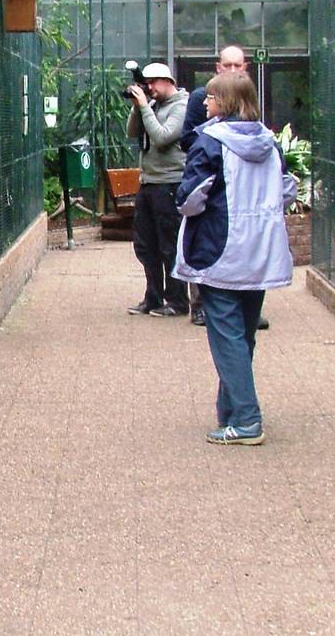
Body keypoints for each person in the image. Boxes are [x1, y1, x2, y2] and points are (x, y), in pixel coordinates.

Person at [173, 71, 297, 444]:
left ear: (223, 101)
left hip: (220, 251)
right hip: (261, 252)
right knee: (242, 336)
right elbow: (287, 190)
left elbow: (188, 199)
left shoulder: (210, 142)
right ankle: (230, 412)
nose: (205, 103)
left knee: (226, 337)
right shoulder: (269, 142)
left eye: (210, 97)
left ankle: (246, 420)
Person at [179, 43, 257, 327]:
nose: (234, 70)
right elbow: (185, 138)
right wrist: (211, 144)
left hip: (245, 197)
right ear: (218, 67)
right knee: (208, 244)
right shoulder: (203, 102)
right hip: (213, 186)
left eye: (238, 65)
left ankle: (246, 306)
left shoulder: (255, 121)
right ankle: (200, 304)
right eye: (228, 65)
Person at [125, 62, 189, 317]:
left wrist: (144, 107)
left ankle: (177, 301)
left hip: (170, 183)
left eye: (152, 83)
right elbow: (132, 132)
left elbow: (162, 137)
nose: (148, 88)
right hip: (148, 183)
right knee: (145, 244)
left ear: (167, 81)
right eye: (145, 84)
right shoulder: (152, 106)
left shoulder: (181, 107)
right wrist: (137, 107)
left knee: (169, 245)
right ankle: (152, 297)